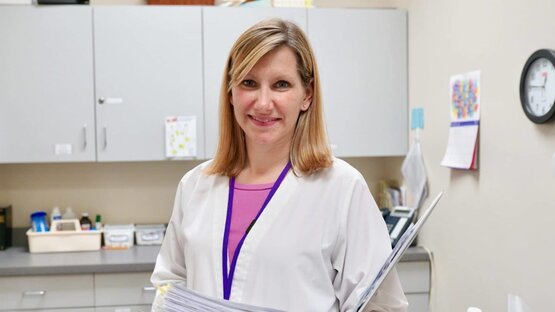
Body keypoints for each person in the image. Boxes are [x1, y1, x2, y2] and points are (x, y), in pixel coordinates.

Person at [151, 18, 408, 312]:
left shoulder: (342, 188)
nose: (263, 103)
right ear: (231, 92)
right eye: (249, 83)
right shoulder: (196, 185)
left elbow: (380, 306)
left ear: (307, 95)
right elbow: (169, 288)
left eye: (281, 84)